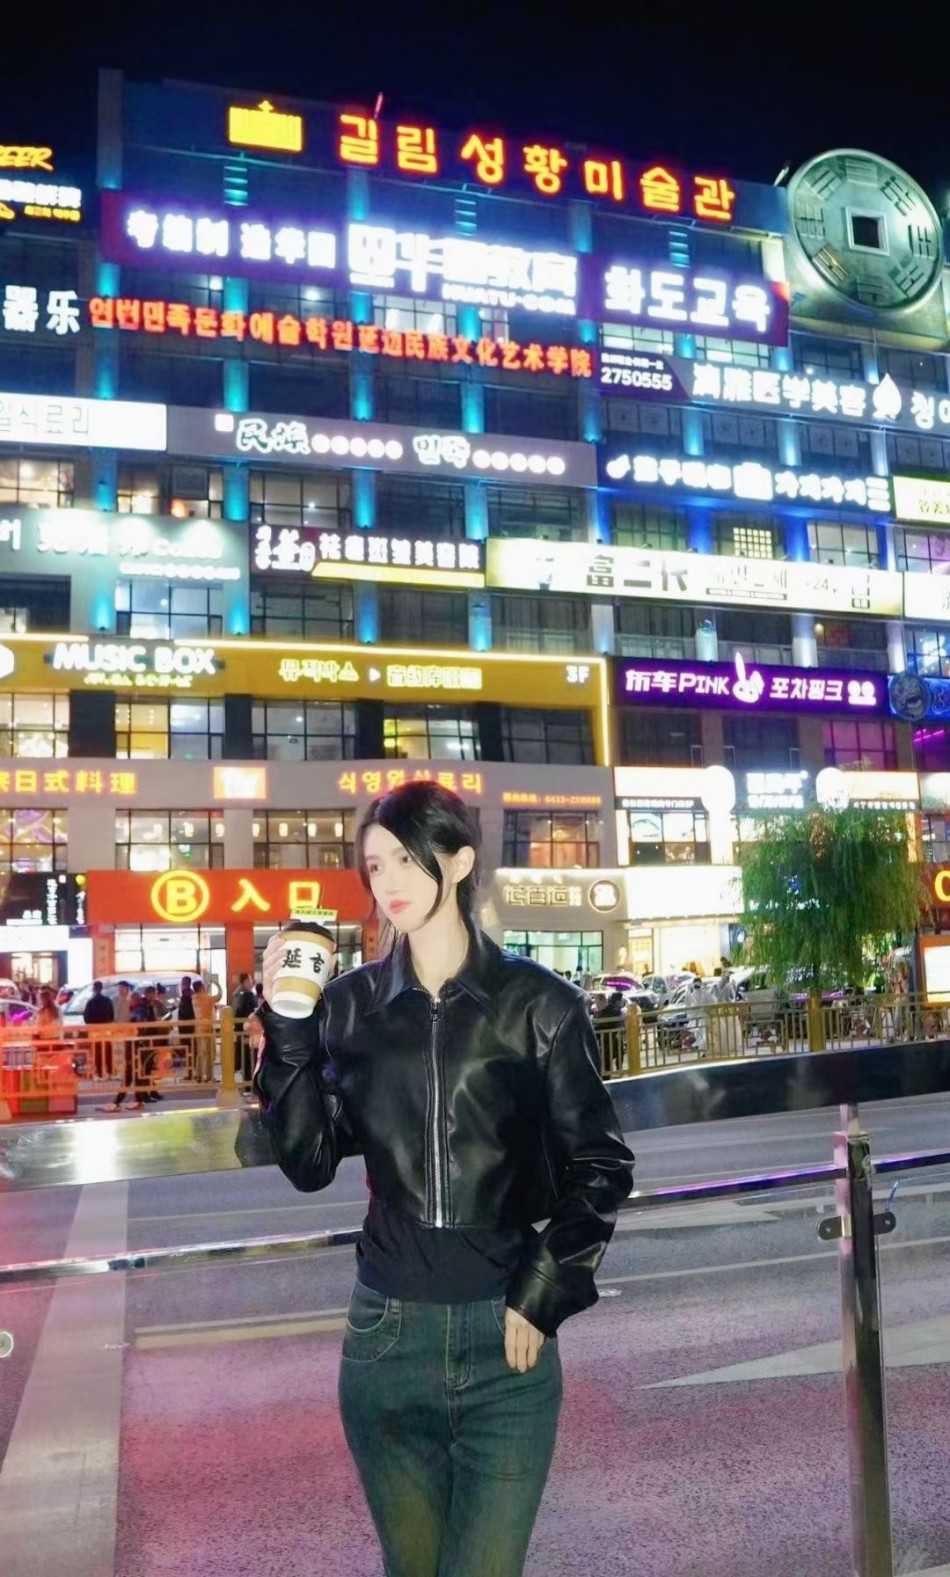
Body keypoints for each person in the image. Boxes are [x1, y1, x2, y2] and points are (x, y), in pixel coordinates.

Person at [255, 781, 634, 1577]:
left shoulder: (539, 1003)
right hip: (387, 1340)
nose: (388, 880)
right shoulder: (350, 1006)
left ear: (459, 861)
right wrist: (287, 1031)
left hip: (507, 1344)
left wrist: (545, 1286)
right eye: (374, 864)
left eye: (406, 858)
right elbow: (309, 1161)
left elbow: (601, 1164)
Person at [83, 979, 115, 1079]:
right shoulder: (107, 1001)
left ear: (94, 989)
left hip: (95, 1031)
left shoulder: (90, 1002)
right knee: (108, 1050)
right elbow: (112, 1016)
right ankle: (109, 1070)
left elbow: (86, 1018)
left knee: (97, 1051)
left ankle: (100, 1072)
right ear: (101, 989)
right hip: (106, 1029)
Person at [233, 971, 258, 1085]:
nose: (252, 982)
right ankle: (248, 1084)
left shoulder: (236, 994)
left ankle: (246, 1083)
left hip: (239, 1031)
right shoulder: (247, 995)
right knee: (249, 1059)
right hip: (247, 1031)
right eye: (250, 980)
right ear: (246, 981)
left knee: (244, 1058)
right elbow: (250, 1013)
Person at [192, 979, 215, 1082]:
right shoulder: (207, 998)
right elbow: (218, 996)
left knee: (200, 1053)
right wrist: (215, 985)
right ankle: (208, 1075)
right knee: (210, 1053)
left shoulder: (193, 998)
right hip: (208, 1028)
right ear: (201, 988)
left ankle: (199, 1074)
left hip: (198, 1028)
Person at [177, 975, 196, 1077]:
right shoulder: (187, 994)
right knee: (189, 1050)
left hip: (188, 1028)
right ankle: (191, 1072)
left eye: (183, 983)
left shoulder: (188, 995)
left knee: (190, 1050)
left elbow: (187, 1012)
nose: (182, 985)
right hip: (186, 1028)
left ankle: (191, 1073)